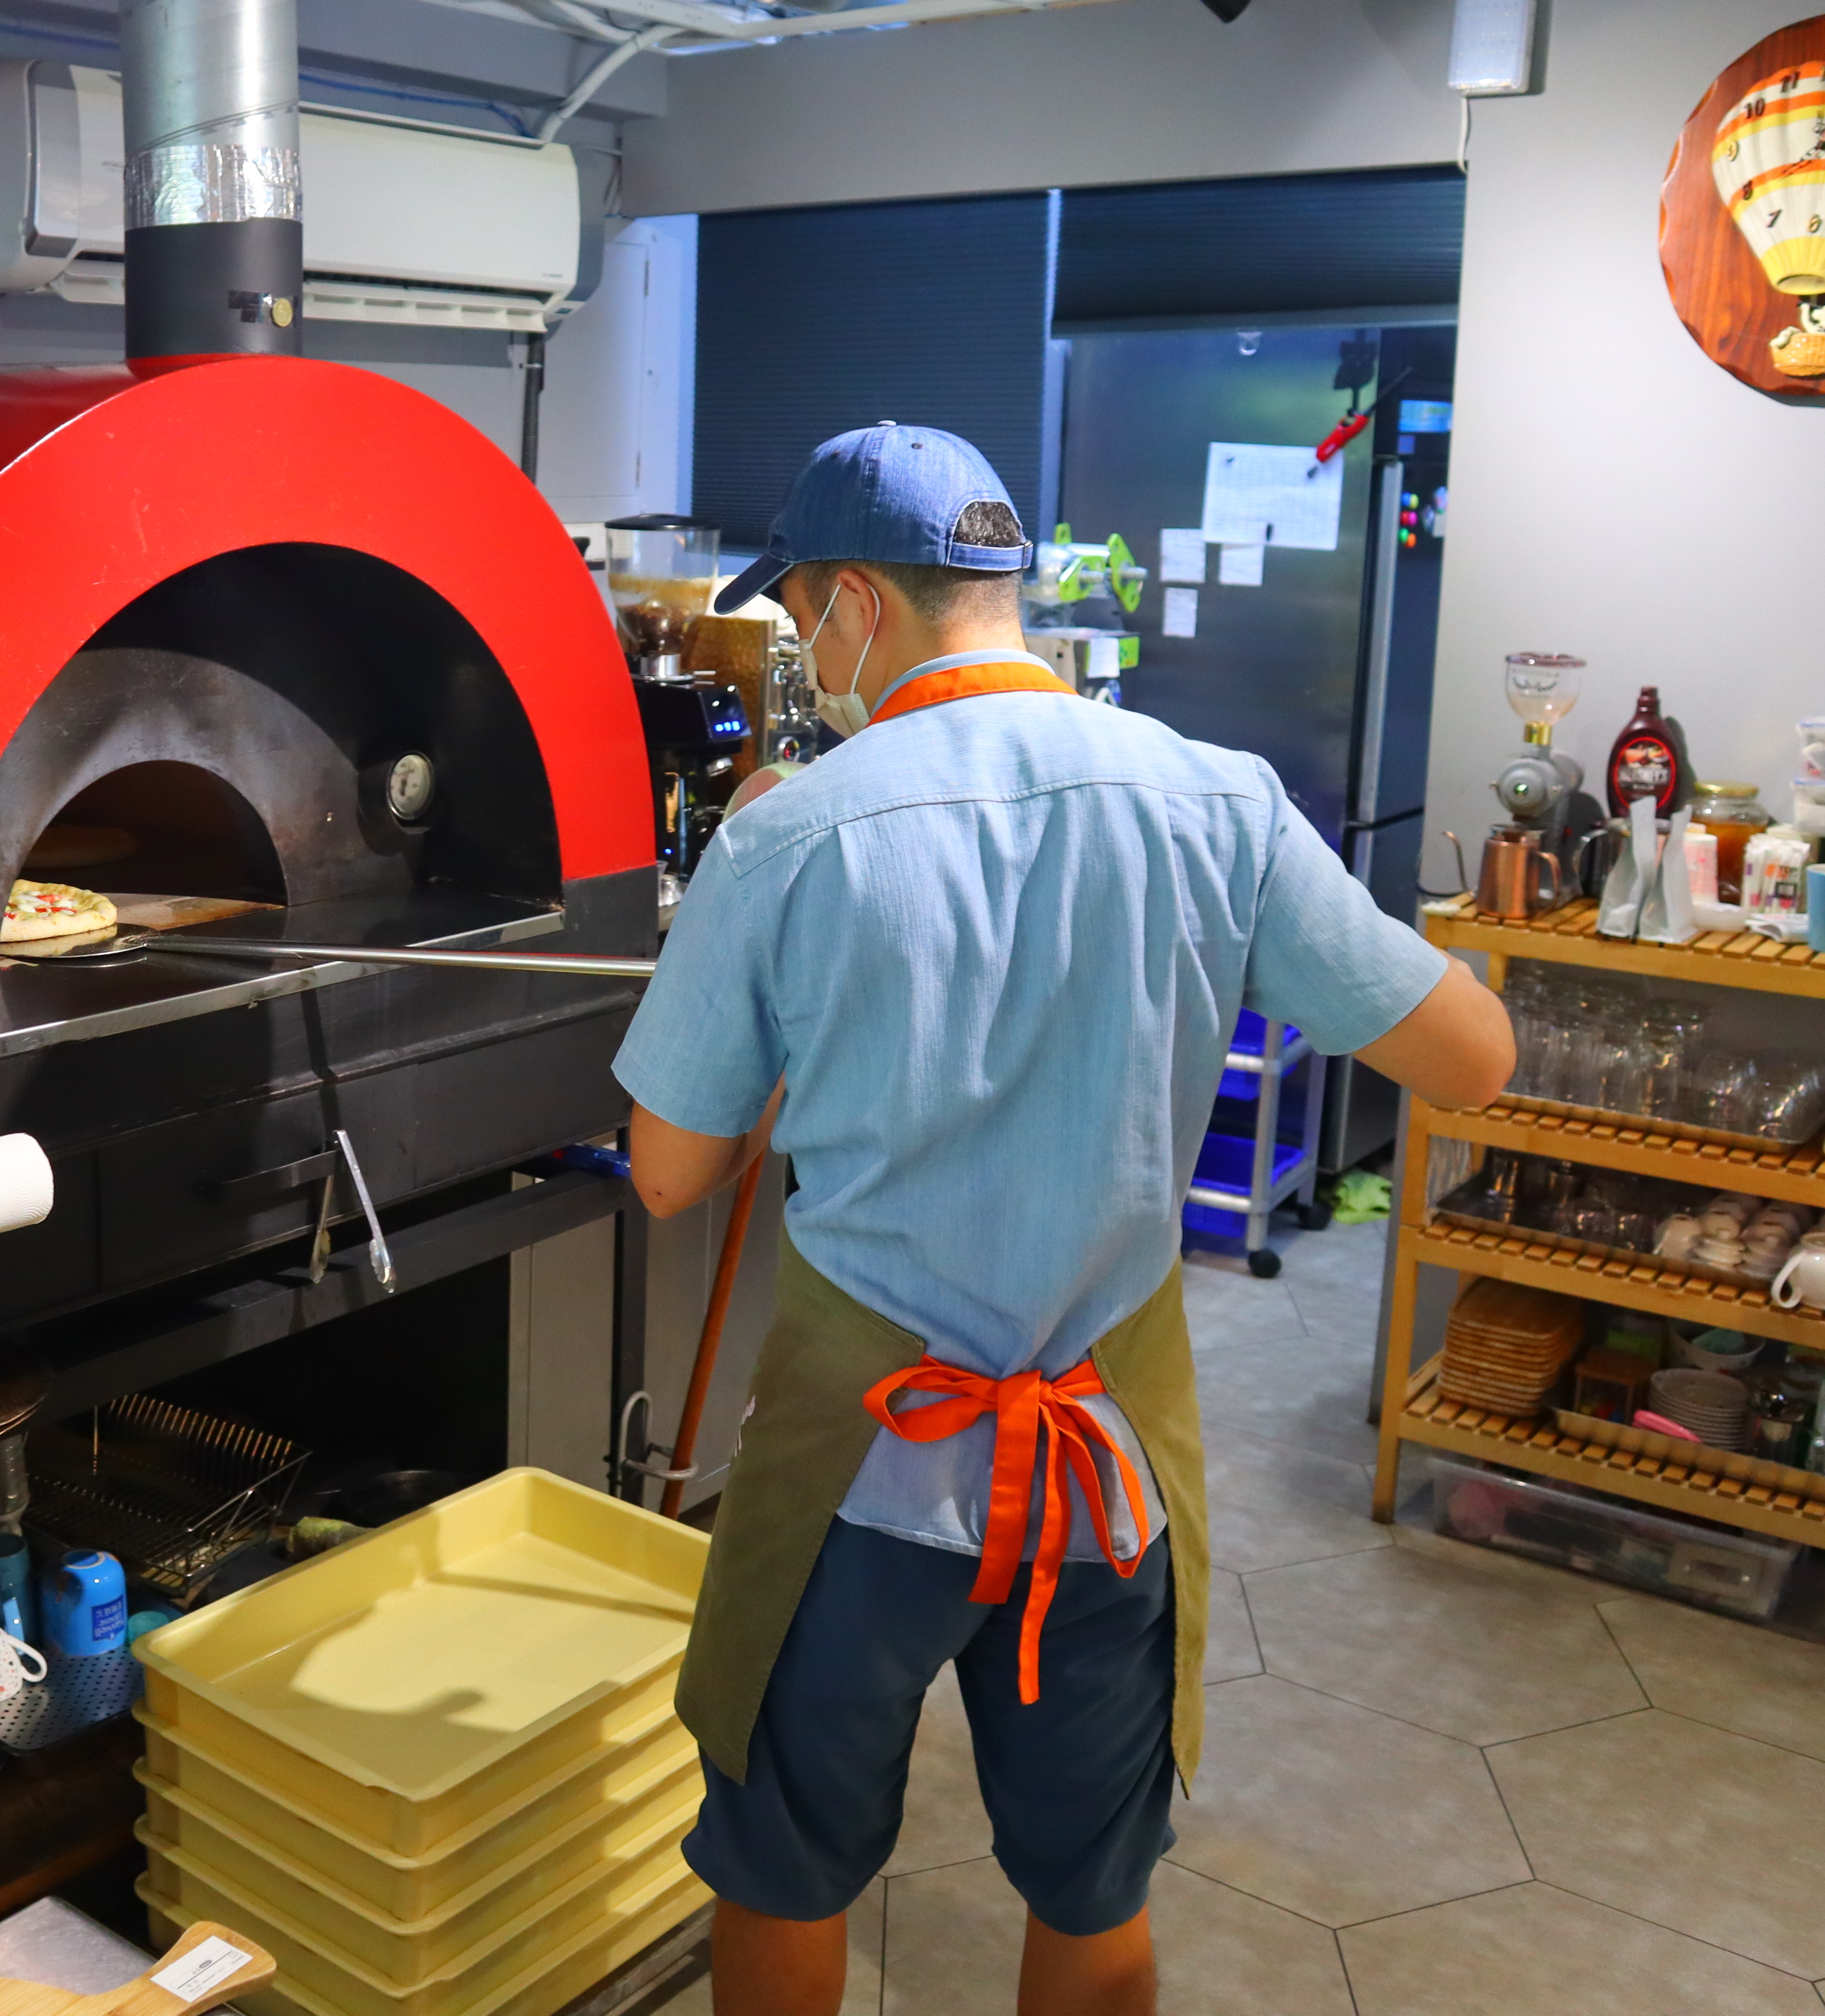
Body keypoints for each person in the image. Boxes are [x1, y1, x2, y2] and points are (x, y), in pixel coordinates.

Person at [615, 423, 1513, 2016]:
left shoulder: (788, 833)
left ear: (850, 609)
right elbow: (1471, 1058)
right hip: (1108, 1464)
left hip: (859, 1468)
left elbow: (672, 1172)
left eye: (802, 619)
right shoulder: (1216, 798)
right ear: (1000, 586)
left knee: (787, 1866)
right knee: (1093, 1889)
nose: (805, 654)